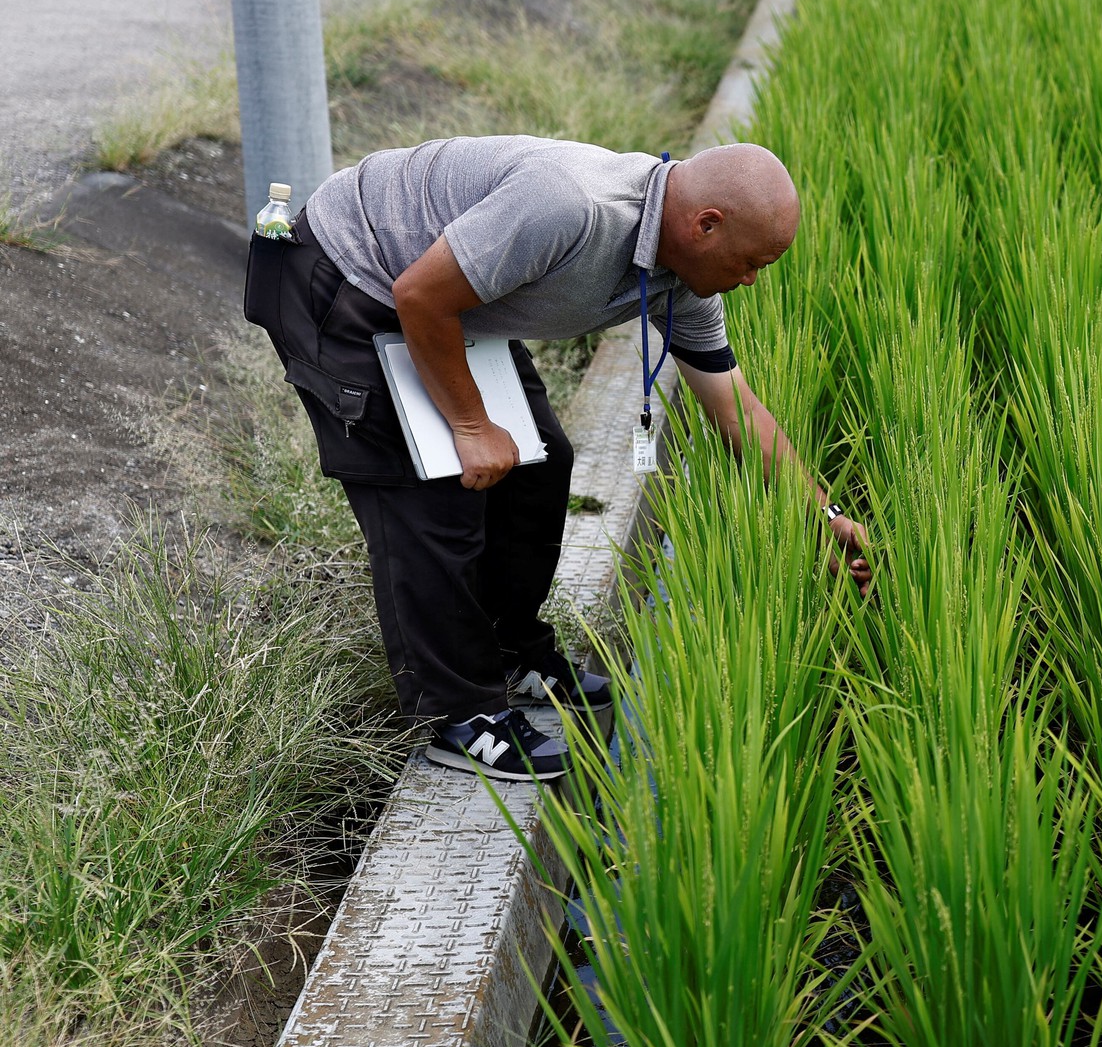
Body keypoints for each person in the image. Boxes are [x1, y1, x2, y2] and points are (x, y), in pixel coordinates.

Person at [243, 135, 870, 782]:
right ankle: (460, 716)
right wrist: (469, 423)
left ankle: (513, 650)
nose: (752, 279)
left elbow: (735, 408)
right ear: (705, 225)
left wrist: (819, 515)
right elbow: (419, 294)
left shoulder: (683, 284)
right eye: (752, 261)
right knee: (438, 491)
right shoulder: (572, 206)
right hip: (352, 275)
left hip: (452, 303)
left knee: (540, 466)